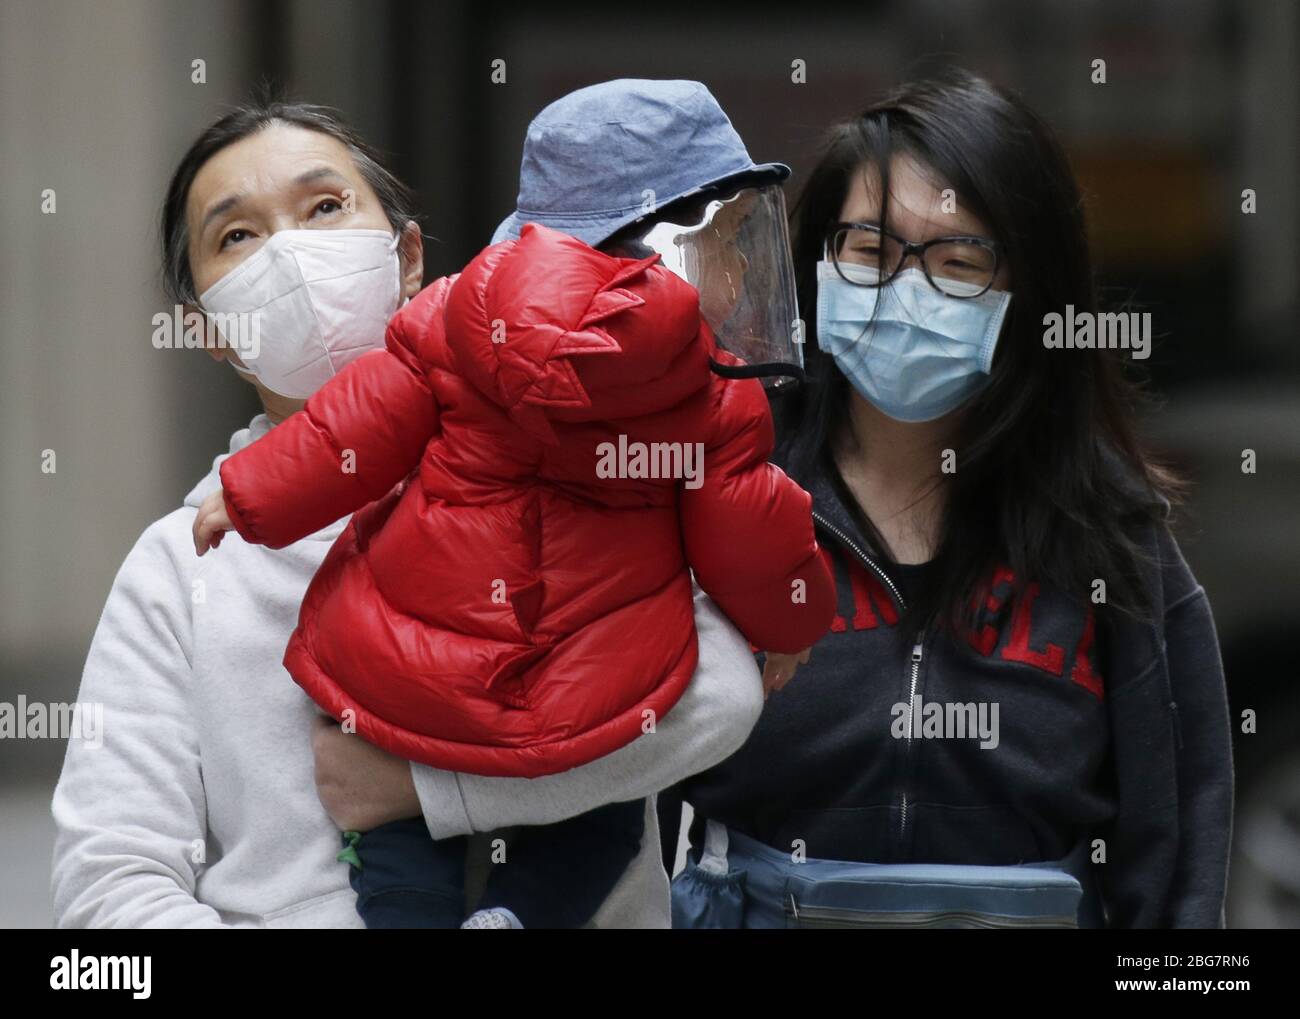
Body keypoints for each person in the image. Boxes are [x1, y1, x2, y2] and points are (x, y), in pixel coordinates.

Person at [49, 96, 768, 929]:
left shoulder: (594, 451)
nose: (289, 251)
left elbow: (717, 696)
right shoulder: (179, 569)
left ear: (410, 258)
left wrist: (431, 787)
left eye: (325, 207)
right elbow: (108, 892)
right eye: (236, 235)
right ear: (207, 329)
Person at [662, 69, 1233, 928]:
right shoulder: (722, 483)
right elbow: (616, 788)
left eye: (959, 262)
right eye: (869, 249)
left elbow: (1178, 845)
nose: (905, 290)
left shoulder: (1110, 531)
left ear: (1029, 292)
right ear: (819, 257)